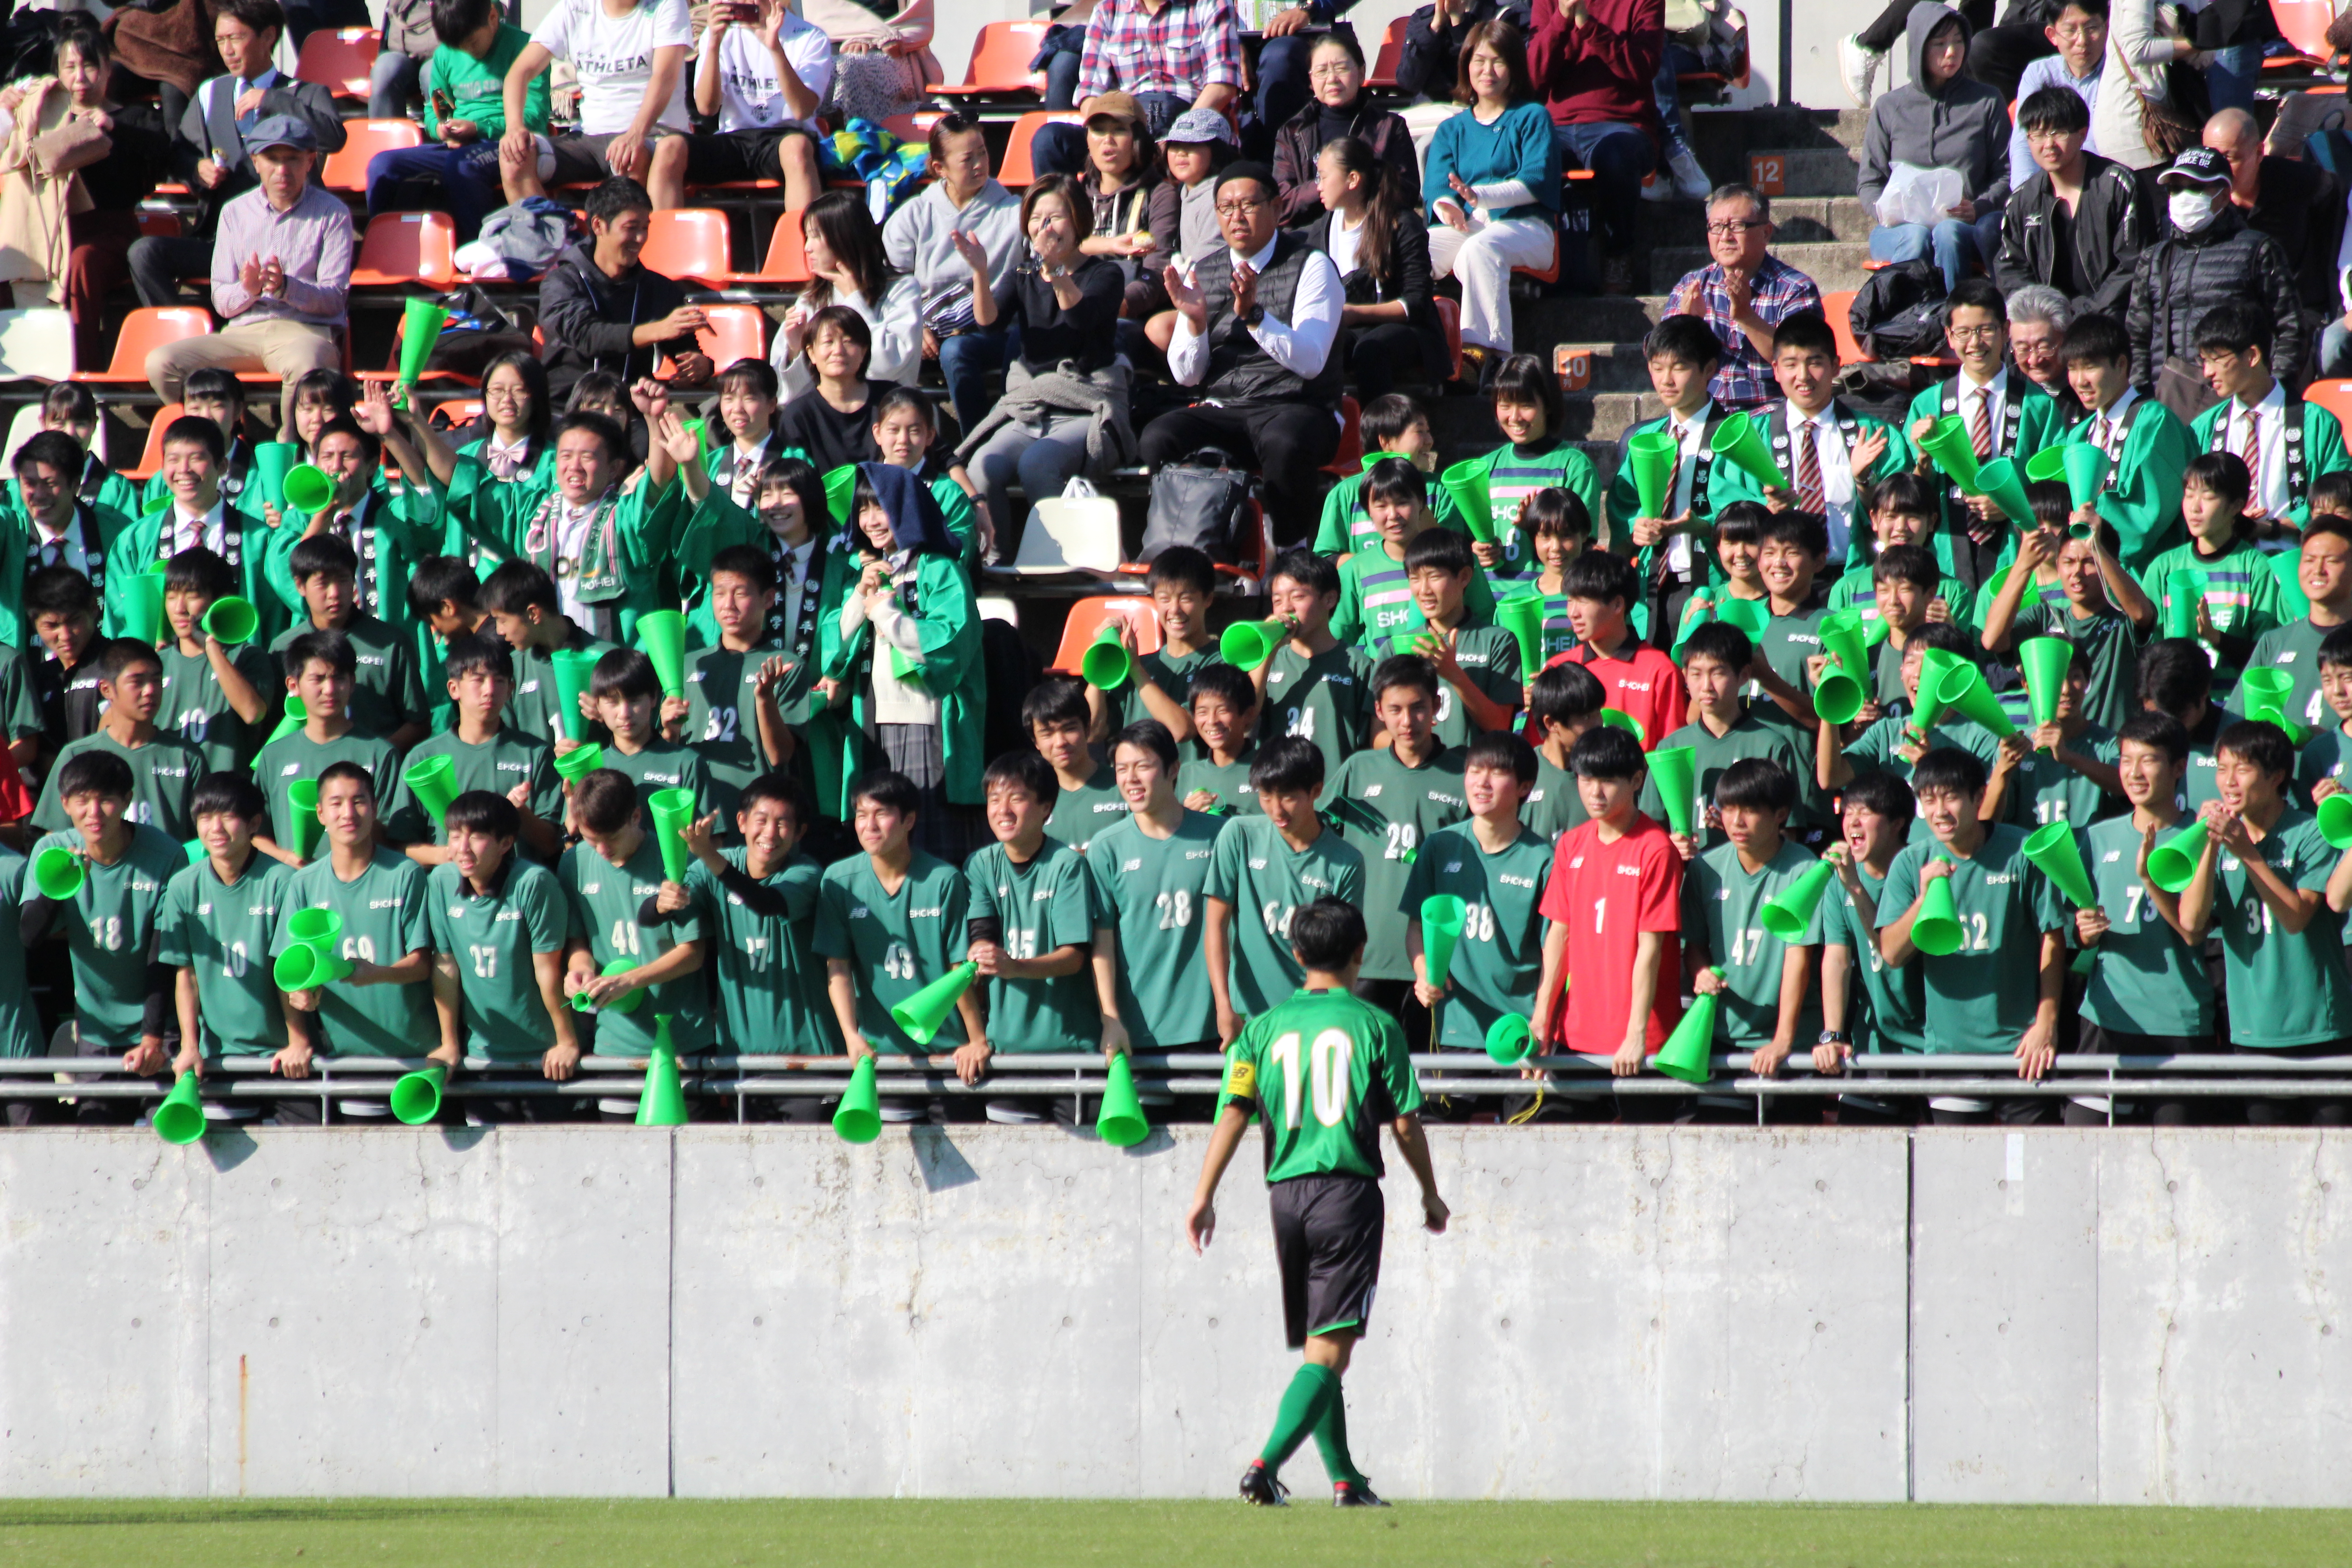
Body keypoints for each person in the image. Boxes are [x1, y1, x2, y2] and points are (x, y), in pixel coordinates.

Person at [1186, 896, 1446, 1510]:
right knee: (1330, 1353)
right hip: (1347, 1194)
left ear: (1296, 955)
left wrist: (1204, 1196)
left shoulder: (1262, 1028)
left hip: (1286, 1198)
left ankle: (1345, 1481)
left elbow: (1234, 1111)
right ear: (1361, 954)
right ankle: (1264, 1466)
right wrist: (1431, 1194)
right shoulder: (1377, 1025)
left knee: (1320, 1349)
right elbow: (1406, 1124)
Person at [1141, 163, 1346, 543]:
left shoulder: (1312, 266)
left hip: (1298, 405)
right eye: (1225, 207)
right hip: (1226, 410)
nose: (1236, 217)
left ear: (1275, 207)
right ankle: (1187, 542)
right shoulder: (1205, 270)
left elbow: (1312, 362)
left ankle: (1291, 549)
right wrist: (1196, 322)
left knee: (1285, 442)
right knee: (1159, 436)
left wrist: (1255, 316)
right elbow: (1188, 377)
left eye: (1248, 205)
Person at [1876, 745, 2066, 1123]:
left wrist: (2047, 1022)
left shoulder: (2022, 852)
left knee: (2030, 1170)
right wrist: (1923, 899)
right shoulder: (1911, 862)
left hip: (2022, 1049)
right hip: (1951, 1051)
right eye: (1928, 800)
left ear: (1980, 797)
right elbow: (1892, 954)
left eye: (1951, 798)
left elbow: (2053, 937)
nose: (1939, 812)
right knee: (1956, 1173)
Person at [127, 0, 348, 309]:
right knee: (145, 253)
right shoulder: (210, 93)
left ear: (269, 36)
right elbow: (179, 155)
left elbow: (334, 136)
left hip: (289, 247)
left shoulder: (304, 93)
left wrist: (272, 100)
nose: (227, 50)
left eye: (236, 38)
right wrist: (196, 169)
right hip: (223, 244)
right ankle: (187, 340)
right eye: (221, 41)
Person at [2184, 721, 2352, 1124]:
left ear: (2277, 777)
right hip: (2253, 1030)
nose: (2228, 782)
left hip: (2320, 1028)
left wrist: (2246, 852)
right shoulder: (2220, 839)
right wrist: (2208, 846)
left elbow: (2296, 918)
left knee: (2334, 1164)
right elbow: (2191, 927)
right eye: (2222, 769)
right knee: (2270, 1166)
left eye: (2241, 770)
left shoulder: (2311, 832)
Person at [143, 116, 351, 436]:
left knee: (306, 364)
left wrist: (286, 288)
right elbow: (222, 302)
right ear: (256, 162)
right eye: (272, 159)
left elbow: (335, 298)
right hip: (243, 330)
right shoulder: (234, 212)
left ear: (311, 161)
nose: (282, 170)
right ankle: (214, 440)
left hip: (306, 332)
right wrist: (248, 290)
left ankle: (287, 451)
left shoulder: (333, 213)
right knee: (161, 363)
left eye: (293, 159)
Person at [956, 174, 1133, 545]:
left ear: (1079, 219)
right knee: (982, 467)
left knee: (1038, 465)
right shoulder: (1023, 273)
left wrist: (1054, 270)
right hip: (1032, 402)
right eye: (1036, 219)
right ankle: (996, 560)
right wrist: (980, 273)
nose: (1045, 227)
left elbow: (1080, 317)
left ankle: (1061, 557)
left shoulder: (1106, 273)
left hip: (1084, 402)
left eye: (1055, 217)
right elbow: (988, 323)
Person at [819, 463, 980, 859]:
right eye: (863, 510)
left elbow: (950, 644)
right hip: (871, 724)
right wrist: (861, 598)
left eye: (881, 507)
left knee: (927, 847)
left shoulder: (940, 569)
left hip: (927, 724)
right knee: (880, 847)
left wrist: (887, 615)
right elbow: (831, 650)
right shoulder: (866, 572)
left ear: (906, 509)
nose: (871, 521)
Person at [651, 774, 833, 1102]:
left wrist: (708, 854)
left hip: (808, 1058)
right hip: (738, 1059)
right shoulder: (716, 866)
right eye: (761, 821)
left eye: (783, 824)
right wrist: (661, 903)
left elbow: (766, 903)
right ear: (742, 822)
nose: (770, 834)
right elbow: (647, 917)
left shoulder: (807, 873)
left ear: (800, 832)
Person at [960, 749, 1121, 1118]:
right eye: (994, 800)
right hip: (1007, 1051)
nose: (1003, 810)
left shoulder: (1067, 865)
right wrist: (982, 952)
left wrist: (1014, 966)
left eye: (1017, 798)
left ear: (1046, 808)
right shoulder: (981, 864)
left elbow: (1074, 958)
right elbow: (982, 932)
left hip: (1071, 1051)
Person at [270, 761, 435, 1113]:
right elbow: (290, 974)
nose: (349, 813)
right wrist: (301, 999)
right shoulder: (302, 884)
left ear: (375, 809)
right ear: (320, 813)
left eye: (359, 801)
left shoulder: (405, 874)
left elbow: (423, 965)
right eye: (337, 803)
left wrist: (377, 973)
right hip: (343, 1064)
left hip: (416, 1060)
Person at [21, 751, 185, 1104]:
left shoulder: (167, 855)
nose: (93, 813)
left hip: (158, 1027)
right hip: (95, 1030)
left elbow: (164, 954)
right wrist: (62, 882)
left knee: (167, 1143)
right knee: (94, 1131)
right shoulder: (51, 850)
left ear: (127, 800)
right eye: (82, 801)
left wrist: (153, 1038)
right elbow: (30, 936)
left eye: (106, 800)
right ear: (64, 804)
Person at [1324, 657, 1470, 1043]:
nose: (1408, 721)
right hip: (1365, 955)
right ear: (1379, 712)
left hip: (1438, 963)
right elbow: (1316, 838)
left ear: (1437, 706)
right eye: (1396, 710)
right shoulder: (1358, 769)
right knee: (1367, 1081)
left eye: (1418, 708)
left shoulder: (1467, 774)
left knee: (1431, 1083)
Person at [7, 22, 168, 366]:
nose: (80, 76)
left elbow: (162, 152)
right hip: (50, 232)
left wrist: (113, 128)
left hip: (110, 233)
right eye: (70, 67)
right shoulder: (46, 118)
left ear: (108, 69)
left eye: (90, 65)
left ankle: (81, 369)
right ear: (57, 73)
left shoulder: (135, 117)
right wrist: (8, 107)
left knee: (80, 261)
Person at [558, 767, 712, 1107]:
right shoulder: (572, 863)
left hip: (681, 1041)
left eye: (608, 840)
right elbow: (579, 940)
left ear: (637, 817)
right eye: (589, 839)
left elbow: (693, 953)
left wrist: (630, 981)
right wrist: (578, 971)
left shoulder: (674, 860)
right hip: (614, 1045)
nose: (599, 850)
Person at [1531, 724, 1681, 1072]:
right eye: (1586, 779)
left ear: (1637, 781)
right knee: (1553, 1124)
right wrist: (1542, 1018)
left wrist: (1636, 1033)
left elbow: (1651, 948)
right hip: (1575, 1035)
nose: (1595, 792)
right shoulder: (1571, 844)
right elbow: (1559, 935)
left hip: (1640, 1043)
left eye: (1609, 781)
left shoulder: (1655, 849)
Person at [423, 790, 581, 1120]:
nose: (462, 848)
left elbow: (548, 970)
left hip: (546, 1058)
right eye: (454, 837)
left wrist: (566, 1041)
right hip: (485, 1056)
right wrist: (450, 1043)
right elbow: (446, 966)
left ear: (506, 843)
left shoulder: (534, 883)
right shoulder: (440, 881)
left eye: (477, 837)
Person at [1901, 279, 2068, 588]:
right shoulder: (1927, 406)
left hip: (2015, 551)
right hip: (1945, 550)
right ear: (1949, 337)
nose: (1975, 343)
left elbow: (2053, 490)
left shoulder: (2038, 406)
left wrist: (2009, 502)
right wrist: (1923, 461)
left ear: (2006, 331)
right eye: (1964, 332)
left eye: (1986, 330)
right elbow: (1909, 499)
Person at [814, 769, 977, 1082]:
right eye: (862, 814)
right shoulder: (838, 881)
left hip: (949, 1052)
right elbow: (838, 968)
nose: (869, 825)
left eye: (882, 814)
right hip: (880, 1054)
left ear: (909, 821)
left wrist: (976, 1040)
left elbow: (960, 969)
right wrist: (851, 1035)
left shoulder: (944, 879)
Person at [1708, 313, 1907, 566]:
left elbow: (1903, 511)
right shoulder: (1751, 438)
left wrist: (1865, 482)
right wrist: (1764, 509)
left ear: (1836, 366)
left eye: (1815, 363)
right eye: (1791, 365)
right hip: (1778, 581)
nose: (1803, 376)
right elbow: (1722, 508)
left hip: (1854, 581)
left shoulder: (1876, 435)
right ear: (1776, 370)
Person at [1203, 736, 1367, 1040]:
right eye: (1266, 796)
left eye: (1288, 797)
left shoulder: (1347, 863)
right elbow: (1215, 924)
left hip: (1315, 1023)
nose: (1276, 809)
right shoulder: (1238, 836)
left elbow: (1346, 956)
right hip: (1249, 1021)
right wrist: (1223, 1007)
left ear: (1316, 791)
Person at [1403, 730, 1553, 1054]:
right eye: (1474, 770)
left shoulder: (1543, 860)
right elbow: (1416, 928)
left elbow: (1553, 954)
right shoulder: (1439, 847)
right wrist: (1424, 973)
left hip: (1518, 1030)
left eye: (1497, 773)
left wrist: (1541, 1018)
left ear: (1525, 786)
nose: (1481, 783)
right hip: (1453, 1028)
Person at [1423, 20, 1563, 368]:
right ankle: (1413, 342)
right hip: (1468, 226)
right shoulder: (1451, 128)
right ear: (1466, 65)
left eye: (1498, 61)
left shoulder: (1533, 117)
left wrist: (1479, 197)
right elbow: (1439, 185)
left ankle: (1487, 356)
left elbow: (1535, 181)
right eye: (1479, 61)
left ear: (1514, 68)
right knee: (1415, 248)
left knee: (1480, 249)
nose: (1488, 71)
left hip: (1528, 228)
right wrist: (1447, 208)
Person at [160, 774, 295, 1128]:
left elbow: (290, 972)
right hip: (219, 1058)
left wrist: (300, 1040)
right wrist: (190, 1045)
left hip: (284, 1055)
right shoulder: (182, 886)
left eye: (227, 816)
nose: (215, 827)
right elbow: (185, 975)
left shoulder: (284, 882)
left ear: (253, 823)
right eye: (205, 817)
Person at [2128, 147, 2301, 418]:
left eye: (2196, 188)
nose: (2183, 197)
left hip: (2240, 401)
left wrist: (2270, 392)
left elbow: (2289, 328)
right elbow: (2138, 336)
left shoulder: (2257, 250)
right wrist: (2143, 399)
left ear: (2224, 194)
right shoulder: (2155, 258)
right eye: (2176, 189)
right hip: (2170, 403)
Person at [1680, 758, 1821, 1090]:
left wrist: (1783, 1040)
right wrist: (1700, 972)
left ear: (1781, 815)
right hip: (1723, 1039)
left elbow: (1799, 959)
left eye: (1751, 810)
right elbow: (1694, 947)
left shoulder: (1805, 871)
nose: (1737, 821)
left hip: (1792, 1044)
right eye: (1728, 809)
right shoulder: (1705, 868)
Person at [1087, 719, 1225, 1051]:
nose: (1130, 779)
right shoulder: (1106, 847)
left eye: (1143, 766)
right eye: (1122, 769)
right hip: (1138, 1033)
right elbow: (1101, 942)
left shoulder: (1221, 836)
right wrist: (1111, 1018)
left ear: (1173, 769)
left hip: (1212, 1029)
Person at [883, 113, 1022, 438]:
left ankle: (977, 441)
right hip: (927, 330)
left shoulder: (1014, 212)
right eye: (967, 158)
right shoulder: (914, 214)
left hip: (992, 330)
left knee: (957, 352)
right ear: (939, 169)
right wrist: (913, 327)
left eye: (983, 153)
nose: (979, 164)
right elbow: (892, 283)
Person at [365, 0, 552, 243]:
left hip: (507, 145)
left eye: (473, 43)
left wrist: (479, 128)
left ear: (493, 18)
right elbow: (436, 111)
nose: (467, 51)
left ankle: (482, 248)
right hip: (459, 146)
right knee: (382, 165)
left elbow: (534, 117)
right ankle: (382, 247)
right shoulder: (445, 54)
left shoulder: (526, 49)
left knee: (462, 167)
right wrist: (443, 129)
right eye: (459, 47)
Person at [1857, 3, 2011, 294]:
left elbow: (2006, 172)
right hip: (1899, 229)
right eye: (1940, 44)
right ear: (1919, 48)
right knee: (1915, 238)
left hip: (1962, 225)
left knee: (1948, 231)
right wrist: (1885, 211)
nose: (1951, 52)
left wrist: (1978, 208)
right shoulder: (1889, 107)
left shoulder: (1987, 101)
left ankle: (1956, 320)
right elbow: (1869, 181)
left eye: (1958, 42)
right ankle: (1913, 324)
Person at [385, 634, 562, 862]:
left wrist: (519, 813)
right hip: (451, 891)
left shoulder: (535, 754)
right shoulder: (423, 759)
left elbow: (551, 844)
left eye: (499, 681)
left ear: (511, 689)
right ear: (453, 688)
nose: (489, 690)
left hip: (517, 890)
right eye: (478, 680)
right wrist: (451, 854)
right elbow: (401, 846)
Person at [500, 0, 692, 208]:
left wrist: (635, 134)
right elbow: (520, 72)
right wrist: (514, 127)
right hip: (588, 138)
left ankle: (635, 238)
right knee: (514, 158)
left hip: (651, 135)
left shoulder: (668, 4)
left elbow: (666, 76)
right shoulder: (574, 7)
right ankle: (551, 235)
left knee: (631, 157)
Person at [1528, 0, 1661, 297]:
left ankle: (1618, 254)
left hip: (1623, 123)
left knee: (1615, 156)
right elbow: (1534, 76)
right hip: (1558, 125)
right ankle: (1539, 261)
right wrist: (1562, 17)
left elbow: (1642, 68)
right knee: (1532, 157)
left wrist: (1588, 26)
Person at [1644, 621, 1814, 851]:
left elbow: (1788, 836)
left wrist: (1737, 832)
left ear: (1744, 675)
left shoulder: (1770, 747)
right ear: (1684, 676)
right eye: (1696, 674)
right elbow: (1647, 832)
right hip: (1688, 880)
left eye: (1718, 674)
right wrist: (1669, 846)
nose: (1706, 686)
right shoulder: (1670, 748)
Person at [537, 178, 711, 404]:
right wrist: (657, 330)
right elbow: (587, 336)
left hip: (630, 412)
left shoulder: (659, 288)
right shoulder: (562, 283)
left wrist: (701, 367)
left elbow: (685, 350)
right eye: (631, 228)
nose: (640, 239)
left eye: (645, 228)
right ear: (599, 226)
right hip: (567, 411)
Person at [2189, 301, 2352, 535]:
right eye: (2204, 361)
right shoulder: (2204, 427)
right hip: (2226, 562)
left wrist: (2272, 528)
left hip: (2292, 557)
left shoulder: (2318, 423)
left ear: (2253, 356)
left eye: (2216, 359)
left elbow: (2338, 500)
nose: (2207, 372)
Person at [1812, 769, 1926, 1106]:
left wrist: (1856, 889)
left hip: (1931, 1046)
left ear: (1897, 824)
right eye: (1848, 813)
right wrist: (1833, 1035)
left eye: (1866, 813)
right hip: (1873, 1047)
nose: (1853, 822)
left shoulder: (1925, 872)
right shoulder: (1840, 879)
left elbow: (1892, 949)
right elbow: (1837, 959)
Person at [1305, 137, 1448, 402]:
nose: (1318, 187)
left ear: (1353, 180)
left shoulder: (1402, 223)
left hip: (1408, 329)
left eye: (1323, 177)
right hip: (1352, 326)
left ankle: (1380, 435)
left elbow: (1416, 303)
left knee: (1371, 351)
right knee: (1319, 348)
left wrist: (1355, 314)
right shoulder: (1323, 228)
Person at [1982, 519, 2155, 735]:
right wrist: (2023, 564)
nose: (2077, 572)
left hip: (2108, 756)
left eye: (2090, 561)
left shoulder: (2124, 620)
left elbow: (2142, 614)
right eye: (2069, 562)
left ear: (2110, 564)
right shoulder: (2043, 617)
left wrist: (2098, 548)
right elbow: (1992, 640)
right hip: (2048, 756)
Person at [1665, 185, 1825, 416]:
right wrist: (1687, 326)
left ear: (1766, 233)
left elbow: (1801, 360)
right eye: (1717, 227)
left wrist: (1746, 316)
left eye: (1737, 226)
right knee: (1632, 437)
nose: (1726, 237)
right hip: (1704, 412)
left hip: (1772, 412)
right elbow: (1663, 359)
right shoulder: (1692, 285)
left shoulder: (1795, 289)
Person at [1994, 86, 2146, 323]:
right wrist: (2044, 314)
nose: (2049, 144)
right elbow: (2011, 270)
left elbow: (2133, 264)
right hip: (2047, 323)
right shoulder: (2022, 200)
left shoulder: (2118, 186)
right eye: (2038, 134)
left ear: (2082, 134)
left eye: (2059, 133)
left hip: (2109, 319)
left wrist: (2088, 313)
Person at [30, 639, 205, 844]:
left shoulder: (187, 756)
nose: (150, 691)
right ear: (107, 690)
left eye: (157, 681)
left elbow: (201, 837)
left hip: (169, 873)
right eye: (137, 682)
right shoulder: (76, 755)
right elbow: (56, 837)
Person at [250, 629, 399, 867]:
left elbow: (394, 837)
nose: (329, 690)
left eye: (339, 678)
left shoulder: (380, 753)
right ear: (293, 685)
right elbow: (256, 834)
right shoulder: (273, 756)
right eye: (318, 679)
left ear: (352, 683)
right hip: (293, 890)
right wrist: (287, 858)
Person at [2054, 312, 2190, 571]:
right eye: (2072, 368)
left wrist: (2095, 519)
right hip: (2090, 578)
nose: (2080, 381)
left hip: (2145, 576)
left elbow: (2150, 513)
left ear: (2121, 364)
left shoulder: (2154, 421)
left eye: (2090, 366)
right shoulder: (2079, 435)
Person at [266, 534, 429, 749]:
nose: (335, 594)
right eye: (323, 583)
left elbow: (419, 724)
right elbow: (272, 727)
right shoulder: (283, 648)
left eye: (343, 580)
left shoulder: (391, 643)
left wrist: (376, 758)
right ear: (300, 585)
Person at [678, 546, 798, 829]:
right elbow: (667, 750)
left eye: (741, 593)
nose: (727, 604)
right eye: (719, 593)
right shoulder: (686, 666)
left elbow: (781, 756)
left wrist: (765, 699)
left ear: (769, 598)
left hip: (760, 823)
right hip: (696, 817)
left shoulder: (786, 666)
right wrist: (669, 728)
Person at [681, 0, 831, 214]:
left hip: (786, 135)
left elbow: (801, 111)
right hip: (735, 138)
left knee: (796, 148)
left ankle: (802, 242)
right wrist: (713, 44)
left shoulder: (809, 36)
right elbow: (707, 108)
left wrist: (775, 50)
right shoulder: (722, 35)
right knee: (670, 150)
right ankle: (663, 241)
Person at [771, 194, 922, 399]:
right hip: (828, 418)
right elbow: (784, 395)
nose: (807, 248)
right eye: (807, 237)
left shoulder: (902, 290)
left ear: (844, 237)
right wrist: (796, 350)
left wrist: (854, 299)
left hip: (886, 416)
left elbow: (887, 366)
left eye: (816, 236)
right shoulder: (811, 299)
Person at [0, 432, 129, 656]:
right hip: (27, 678)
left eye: (50, 484)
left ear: (75, 484)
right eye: (30, 483)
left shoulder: (117, 533)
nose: (39, 495)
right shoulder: (11, 532)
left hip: (101, 676)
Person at [1271, 31, 1418, 225]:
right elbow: (1281, 206)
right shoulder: (1292, 131)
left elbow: (1405, 192)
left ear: (1361, 73)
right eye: (1322, 71)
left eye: (1341, 68)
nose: (1332, 79)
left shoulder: (1390, 126)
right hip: (1308, 236)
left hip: (1372, 229)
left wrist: (1352, 187)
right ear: (1311, 80)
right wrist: (1327, 183)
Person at [1549, 548, 1684, 744]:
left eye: (1583, 602)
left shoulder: (1660, 671)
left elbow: (1672, 752)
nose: (1573, 613)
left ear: (1618, 605)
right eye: (1570, 601)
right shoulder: (1558, 668)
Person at [158, 547, 274, 774]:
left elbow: (252, 713)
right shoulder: (156, 664)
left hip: (227, 799)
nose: (180, 609)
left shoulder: (247, 657)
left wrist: (211, 646)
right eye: (171, 597)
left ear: (220, 600)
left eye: (192, 596)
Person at [2244, 514, 2352, 739]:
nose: (2318, 570)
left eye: (2331, 561)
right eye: (2310, 560)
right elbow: (2240, 722)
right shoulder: (2274, 643)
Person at [1073, 0, 1243, 137]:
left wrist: (1183, 134)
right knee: (1051, 138)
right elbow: (1091, 90)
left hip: (1193, 118)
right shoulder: (1106, 11)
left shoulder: (1210, 4)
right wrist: (1107, 133)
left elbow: (1222, 84)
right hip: (1128, 125)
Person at [583, 647, 708, 821]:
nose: (625, 713)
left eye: (634, 701)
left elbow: (711, 842)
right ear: (598, 705)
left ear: (653, 698)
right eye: (613, 702)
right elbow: (573, 842)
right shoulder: (591, 769)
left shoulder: (687, 763)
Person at [1024, 678, 1127, 853]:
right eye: (1047, 734)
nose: (1060, 742)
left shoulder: (1124, 784)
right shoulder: (1028, 799)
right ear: (1035, 741)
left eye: (1069, 729)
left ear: (1087, 729)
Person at [1523, 659, 1605, 838]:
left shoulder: (1612, 775)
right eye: (1586, 718)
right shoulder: (1518, 776)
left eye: (1598, 712)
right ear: (1552, 724)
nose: (1598, 723)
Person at [1177, 664, 1261, 815]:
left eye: (1222, 711)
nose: (1212, 721)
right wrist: (1185, 817)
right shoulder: (1186, 774)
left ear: (1248, 714)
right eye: (1202, 712)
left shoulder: (1269, 771)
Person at [2004, 284, 2078, 413]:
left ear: (2066, 338)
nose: (2034, 360)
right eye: (2023, 349)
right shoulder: (2007, 388)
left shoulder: (2088, 386)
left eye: (2044, 347)